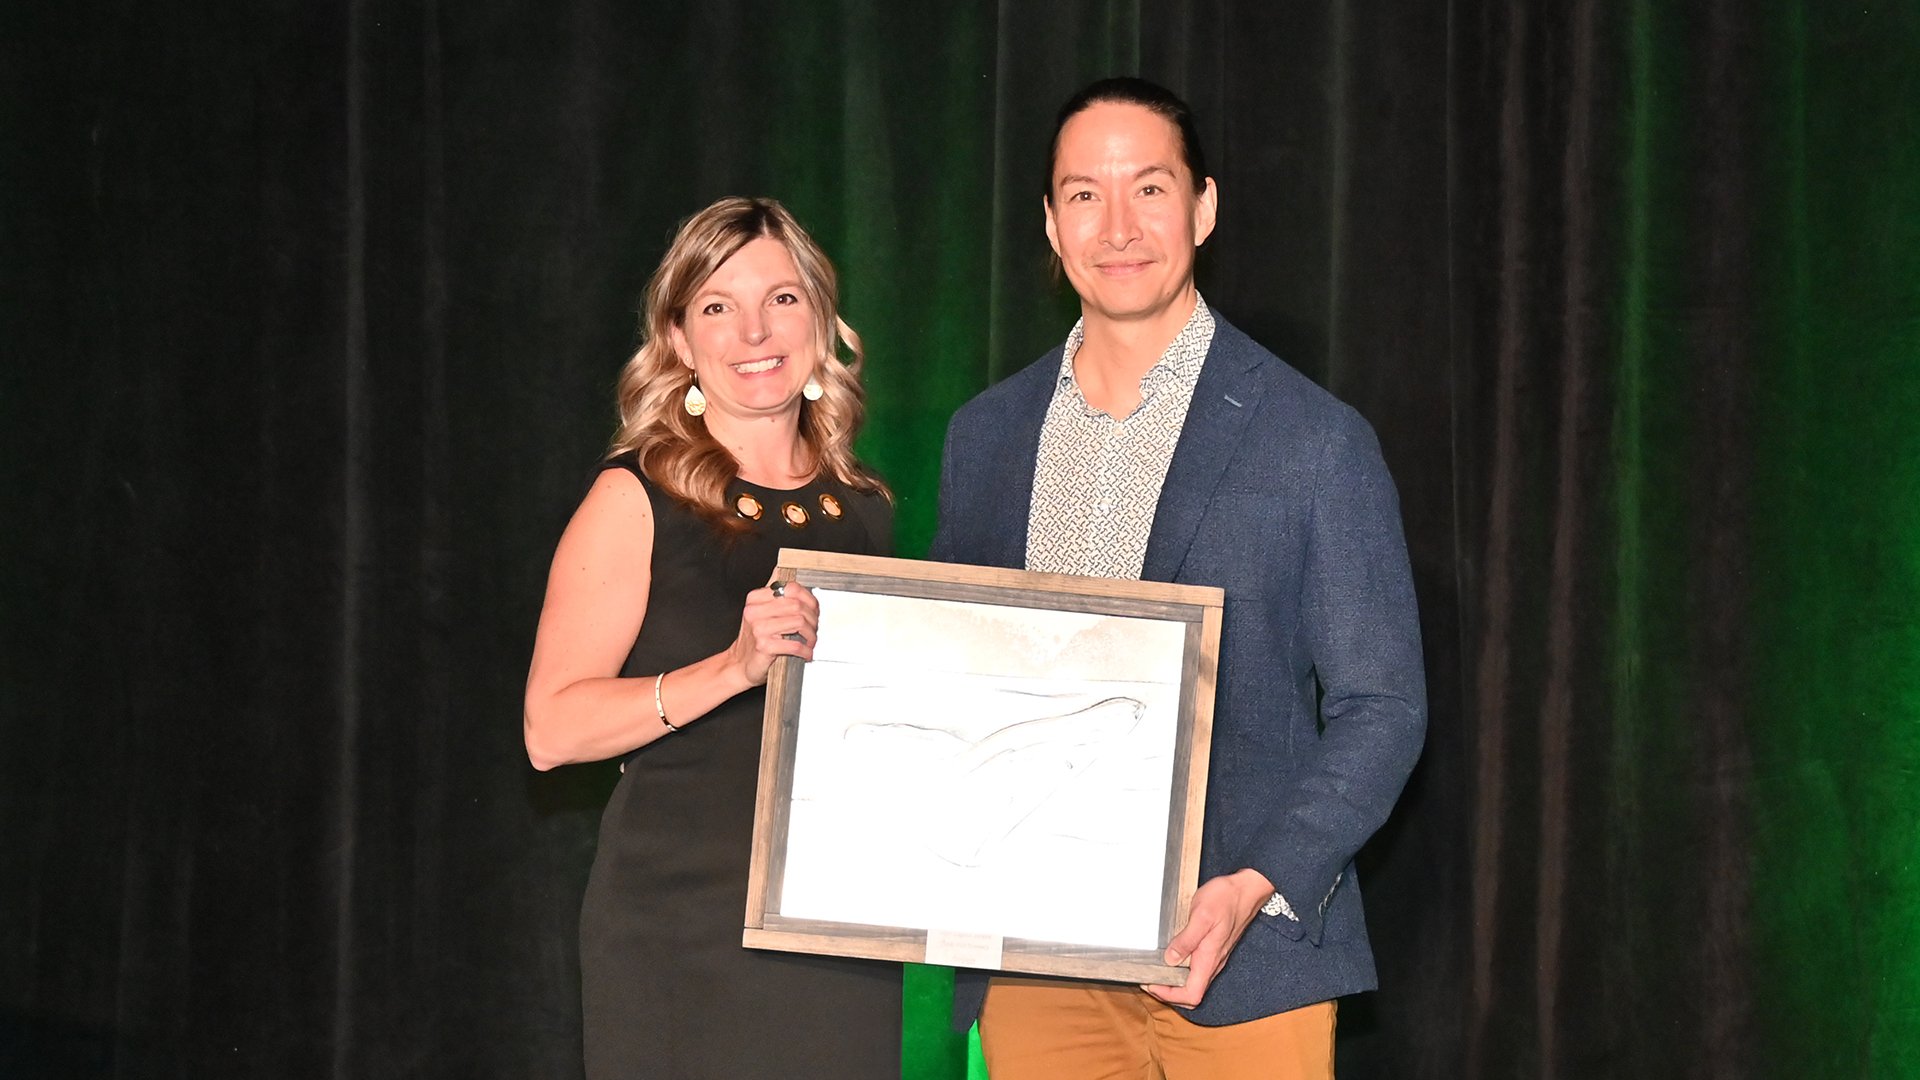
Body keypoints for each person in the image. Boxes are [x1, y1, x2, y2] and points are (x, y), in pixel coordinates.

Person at [929, 77, 1427, 1078]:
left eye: (1148, 188)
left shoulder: (1314, 441)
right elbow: (957, 682)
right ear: (1050, 223)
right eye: (1084, 194)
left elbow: (1384, 708)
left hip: (1242, 960)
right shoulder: (984, 438)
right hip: (1035, 957)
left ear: (1202, 206)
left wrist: (1256, 884)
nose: (1118, 226)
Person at [523, 196, 901, 1080]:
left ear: (819, 319)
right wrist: (731, 669)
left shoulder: (869, 512)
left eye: (781, 299)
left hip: (839, 934)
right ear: (681, 342)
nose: (753, 331)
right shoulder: (635, 497)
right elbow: (550, 730)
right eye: (718, 308)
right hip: (679, 935)